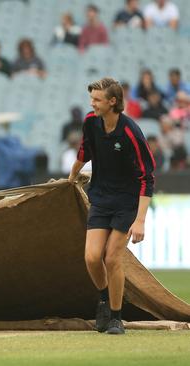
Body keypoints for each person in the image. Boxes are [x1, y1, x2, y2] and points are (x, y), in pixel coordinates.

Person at [69, 77, 155, 335]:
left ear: (112, 102)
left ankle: (117, 318)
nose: (92, 104)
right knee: (92, 257)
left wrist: (140, 220)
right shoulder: (90, 122)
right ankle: (105, 300)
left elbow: (147, 176)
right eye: (91, 99)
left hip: (126, 202)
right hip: (101, 198)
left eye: (97, 99)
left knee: (112, 257)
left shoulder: (130, 131)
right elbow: (84, 153)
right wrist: (70, 179)